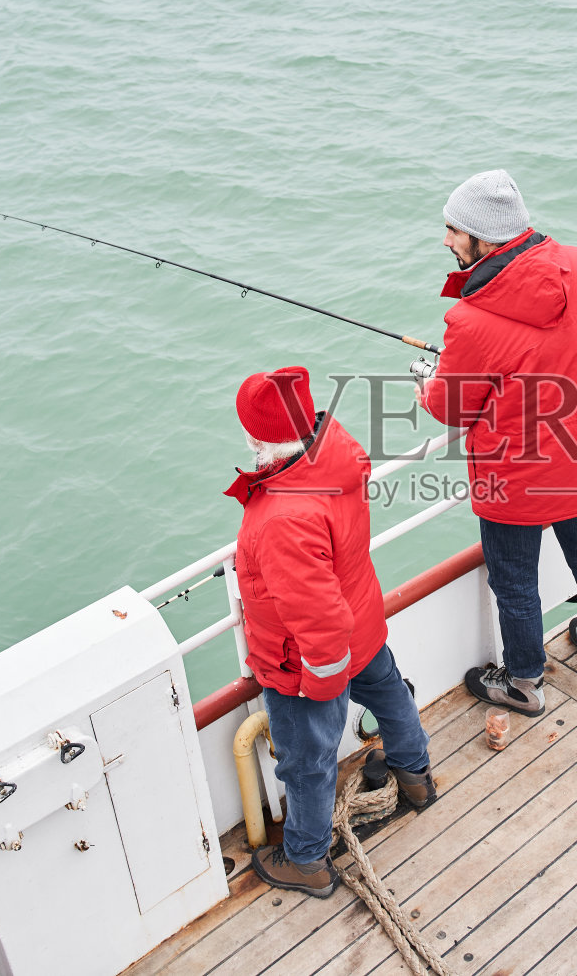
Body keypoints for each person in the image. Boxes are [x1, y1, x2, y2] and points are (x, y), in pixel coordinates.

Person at [413, 170, 577, 717]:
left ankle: (526, 682)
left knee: (515, 583)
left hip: (511, 481)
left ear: (484, 238)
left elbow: (451, 407)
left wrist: (427, 385)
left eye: (453, 230)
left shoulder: (469, 319)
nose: (446, 240)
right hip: (576, 455)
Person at [224, 365, 435, 899]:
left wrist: (320, 688)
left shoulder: (280, 519)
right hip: (361, 620)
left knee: (307, 759)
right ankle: (416, 778)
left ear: (256, 438)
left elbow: (315, 618)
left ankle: (308, 860)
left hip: (307, 660)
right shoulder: (335, 453)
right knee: (389, 696)